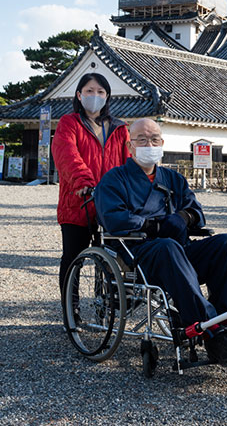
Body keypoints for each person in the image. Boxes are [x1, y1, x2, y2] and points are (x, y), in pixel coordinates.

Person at [94, 118, 227, 368]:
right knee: (167, 246)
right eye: (142, 139)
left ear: (162, 143)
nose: (149, 144)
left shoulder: (173, 179)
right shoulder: (114, 180)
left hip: (180, 250)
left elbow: (196, 212)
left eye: (154, 139)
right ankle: (211, 334)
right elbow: (114, 219)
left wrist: (183, 217)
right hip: (141, 254)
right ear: (129, 146)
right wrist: (152, 226)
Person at [52, 72, 131, 298]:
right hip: (79, 200)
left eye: (100, 92)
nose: (94, 96)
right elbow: (67, 155)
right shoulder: (69, 123)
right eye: (89, 91)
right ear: (79, 94)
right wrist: (83, 181)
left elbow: (128, 162)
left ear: (107, 97)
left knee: (109, 260)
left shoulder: (119, 128)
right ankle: (71, 308)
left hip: (111, 202)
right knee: (72, 257)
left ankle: (104, 306)